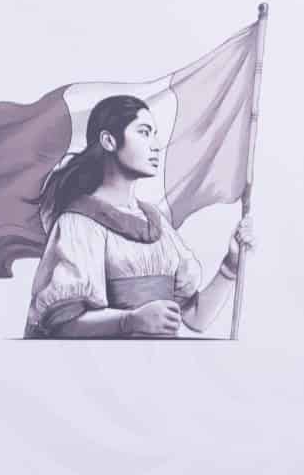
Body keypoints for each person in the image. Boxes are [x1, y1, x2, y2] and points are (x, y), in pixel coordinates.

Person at [22, 95, 250, 340]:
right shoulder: (79, 223)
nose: (156, 145)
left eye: (154, 134)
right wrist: (130, 320)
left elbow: (196, 318)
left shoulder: (157, 222)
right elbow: (62, 325)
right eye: (144, 132)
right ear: (109, 141)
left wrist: (230, 266)